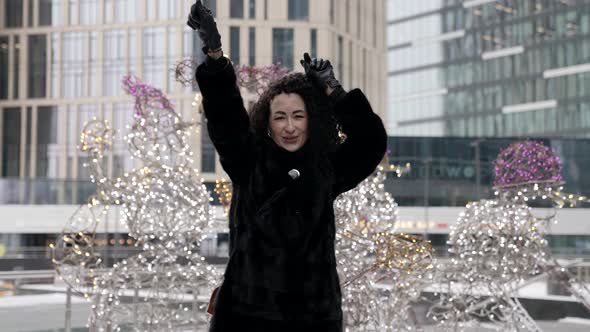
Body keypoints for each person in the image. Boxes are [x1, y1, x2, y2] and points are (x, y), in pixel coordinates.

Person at [187, 1, 387, 331]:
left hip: (313, 319)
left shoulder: (325, 167)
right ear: (268, 122)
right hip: (246, 318)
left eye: (298, 116)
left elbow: (370, 142)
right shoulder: (248, 160)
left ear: (312, 121)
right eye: (280, 117)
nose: (289, 126)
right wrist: (214, 54)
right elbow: (225, 116)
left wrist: (333, 90)